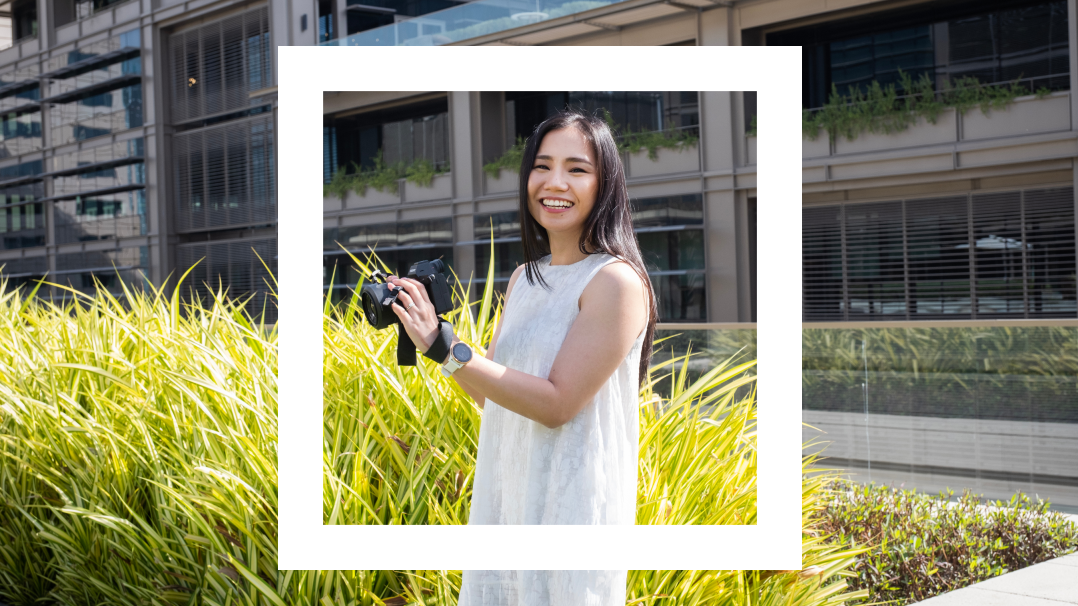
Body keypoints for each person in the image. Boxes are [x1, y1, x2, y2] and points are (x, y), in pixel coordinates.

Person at [387, 109, 658, 606]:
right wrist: (432, 337)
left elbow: (556, 405)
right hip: (508, 505)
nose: (555, 182)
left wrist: (446, 345)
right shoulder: (523, 279)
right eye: (542, 165)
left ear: (606, 185)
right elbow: (494, 396)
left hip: (570, 516)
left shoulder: (615, 282)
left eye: (577, 169)